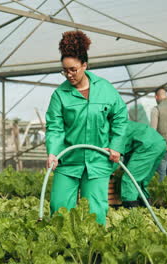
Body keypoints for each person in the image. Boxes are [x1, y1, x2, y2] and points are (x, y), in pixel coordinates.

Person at [46, 31, 128, 225]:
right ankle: (63, 247)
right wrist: (52, 152)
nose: (69, 75)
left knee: (95, 211)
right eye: (64, 70)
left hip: (98, 159)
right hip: (68, 161)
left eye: (73, 69)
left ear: (84, 65)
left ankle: (93, 250)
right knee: (59, 206)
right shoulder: (60, 95)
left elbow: (120, 118)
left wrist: (116, 145)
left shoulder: (105, 89)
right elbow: (55, 127)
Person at [120, 120, 166, 208]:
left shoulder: (115, 130)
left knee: (130, 179)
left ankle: (131, 210)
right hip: (159, 142)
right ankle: (146, 208)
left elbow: (115, 154)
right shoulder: (123, 124)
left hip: (147, 145)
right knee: (141, 179)